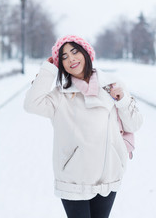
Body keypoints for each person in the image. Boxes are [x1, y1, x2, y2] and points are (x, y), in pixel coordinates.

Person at [24, 35, 143, 218]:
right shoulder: (59, 96)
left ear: (86, 53)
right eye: (63, 57)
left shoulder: (112, 85)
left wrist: (123, 101)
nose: (71, 58)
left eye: (74, 51)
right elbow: (31, 104)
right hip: (74, 181)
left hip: (108, 178)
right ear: (60, 65)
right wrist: (48, 69)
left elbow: (134, 124)